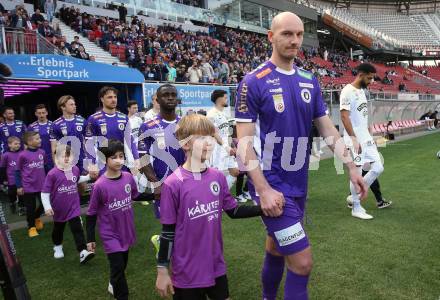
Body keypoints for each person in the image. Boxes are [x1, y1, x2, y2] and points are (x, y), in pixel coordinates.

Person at [235, 12, 367, 300]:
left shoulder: (310, 80)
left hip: (298, 183)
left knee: (274, 246)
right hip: (270, 184)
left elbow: (327, 129)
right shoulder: (253, 81)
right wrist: (263, 189)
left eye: (298, 34)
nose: (294, 40)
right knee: (302, 263)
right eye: (286, 34)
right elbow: (243, 144)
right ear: (271, 36)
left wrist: (353, 167)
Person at [155, 114, 265, 299]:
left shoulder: (217, 177)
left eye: (210, 137)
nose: (209, 143)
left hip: (215, 266)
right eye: (201, 137)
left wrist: (264, 207)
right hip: (186, 271)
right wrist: (162, 271)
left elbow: (233, 210)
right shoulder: (173, 184)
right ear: (186, 144)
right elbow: (168, 231)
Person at [86, 139, 139, 299]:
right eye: (114, 157)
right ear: (105, 160)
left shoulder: (128, 177)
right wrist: (90, 238)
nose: (119, 160)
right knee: (118, 268)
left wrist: (158, 194)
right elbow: (91, 213)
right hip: (110, 234)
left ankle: (112, 282)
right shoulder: (99, 185)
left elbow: (136, 195)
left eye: (121, 156)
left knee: (121, 267)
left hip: (126, 231)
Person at [138, 84, 186, 252]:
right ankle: (163, 246)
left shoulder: (186, 123)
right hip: (163, 183)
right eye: (166, 95)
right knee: (169, 222)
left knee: (187, 219)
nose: (171, 97)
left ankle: (177, 249)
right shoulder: (148, 126)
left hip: (186, 181)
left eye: (173, 94)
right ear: (157, 100)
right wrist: (156, 183)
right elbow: (142, 157)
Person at [340, 63, 385, 220]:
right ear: (361, 74)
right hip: (355, 140)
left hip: (366, 138)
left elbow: (362, 116)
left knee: (378, 167)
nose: (371, 81)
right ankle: (356, 208)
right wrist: (353, 138)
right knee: (357, 172)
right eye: (369, 78)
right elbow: (344, 116)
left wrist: (368, 133)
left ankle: (355, 196)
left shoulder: (361, 91)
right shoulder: (347, 91)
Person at [41, 145, 95, 263]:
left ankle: (82, 251)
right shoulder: (52, 174)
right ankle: (57, 246)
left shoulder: (74, 169)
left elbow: (75, 179)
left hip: (73, 207)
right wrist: (47, 207)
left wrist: (88, 177)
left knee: (77, 228)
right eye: (63, 156)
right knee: (58, 229)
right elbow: (44, 193)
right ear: (56, 158)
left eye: (68, 156)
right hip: (59, 209)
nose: (66, 158)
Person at [85, 86, 139, 173]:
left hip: (122, 163)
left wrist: (136, 158)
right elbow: (89, 143)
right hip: (103, 164)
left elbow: (130, 140)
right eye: (109, 97)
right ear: (102, 99)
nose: (113, 100)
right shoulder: (93, 119)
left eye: (115, 97)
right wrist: (92, 163)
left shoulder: (124, 118)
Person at [206, 90, 240, 193]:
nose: (227, 99)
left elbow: (227, 133)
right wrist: (226, 147)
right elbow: (214, 133)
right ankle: (214, 198)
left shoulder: (224, 113)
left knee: (235, 172)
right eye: (225, 97)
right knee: (216, 177)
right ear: (219, 98)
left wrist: (233, 146)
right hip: (217, 150)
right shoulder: (211, 114)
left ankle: (221, 196)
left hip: (227, 148)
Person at [16, 131, 48, 238]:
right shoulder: (22, 155)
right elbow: (17, 171)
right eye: (37, 139)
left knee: (44, 205)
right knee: (30, 207)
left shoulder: (42, 152)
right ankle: (31, 227)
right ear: (29, 142)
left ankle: (36, 217)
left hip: (42, 185)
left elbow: (46, 167)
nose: (40, 140)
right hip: (28, 186)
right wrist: (19, 186)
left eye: (39, 138)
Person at [50, 95, 88, 174]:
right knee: (69, 185)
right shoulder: (55, 124)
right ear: (63, 107)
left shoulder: (82, 121)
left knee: (83, 184)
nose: (75, 106)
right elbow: (54, 147)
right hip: (65, 160)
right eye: (71, 104)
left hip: (81, 159)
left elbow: (87, 142)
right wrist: (56, 164)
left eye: (74, 104)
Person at [0, 137, 23, 214]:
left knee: (21, 194)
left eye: (19, 143)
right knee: (12, 194)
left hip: (21, 179)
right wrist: (4, 179)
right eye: (15, 144)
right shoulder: (5, 155)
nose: (18, 145)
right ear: (9, 145)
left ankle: (21, 208)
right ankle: (12, 204)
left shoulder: (22, 153)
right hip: (11, 179)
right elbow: (2, 168)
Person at [28, 104, 54, 169]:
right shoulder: (31, 127)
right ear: (36, 114)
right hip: (37, 157)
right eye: (39, 113)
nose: (41, 115)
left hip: (51, 157)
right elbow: (27, 144)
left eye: (43, 113)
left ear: (47, 113)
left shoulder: (53, 125)